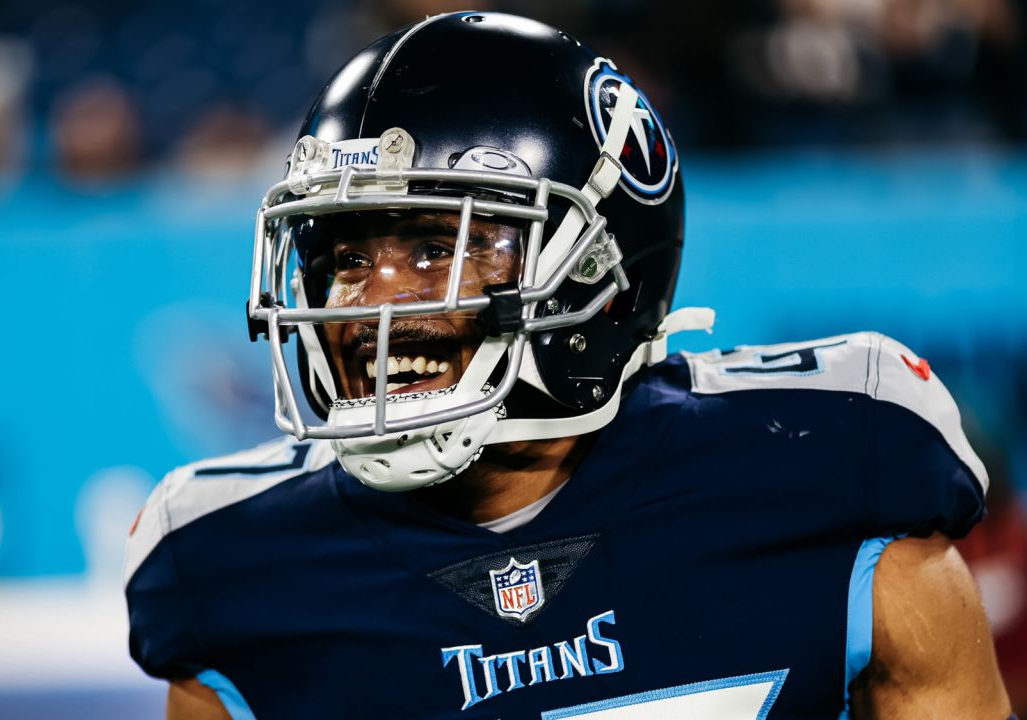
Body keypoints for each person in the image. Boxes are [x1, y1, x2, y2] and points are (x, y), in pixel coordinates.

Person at [125, 12, 1010, 719]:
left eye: (436, 249)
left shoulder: (830, 460)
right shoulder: (230, 568)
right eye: (349, 258)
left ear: (601, 269)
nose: (369, 305)